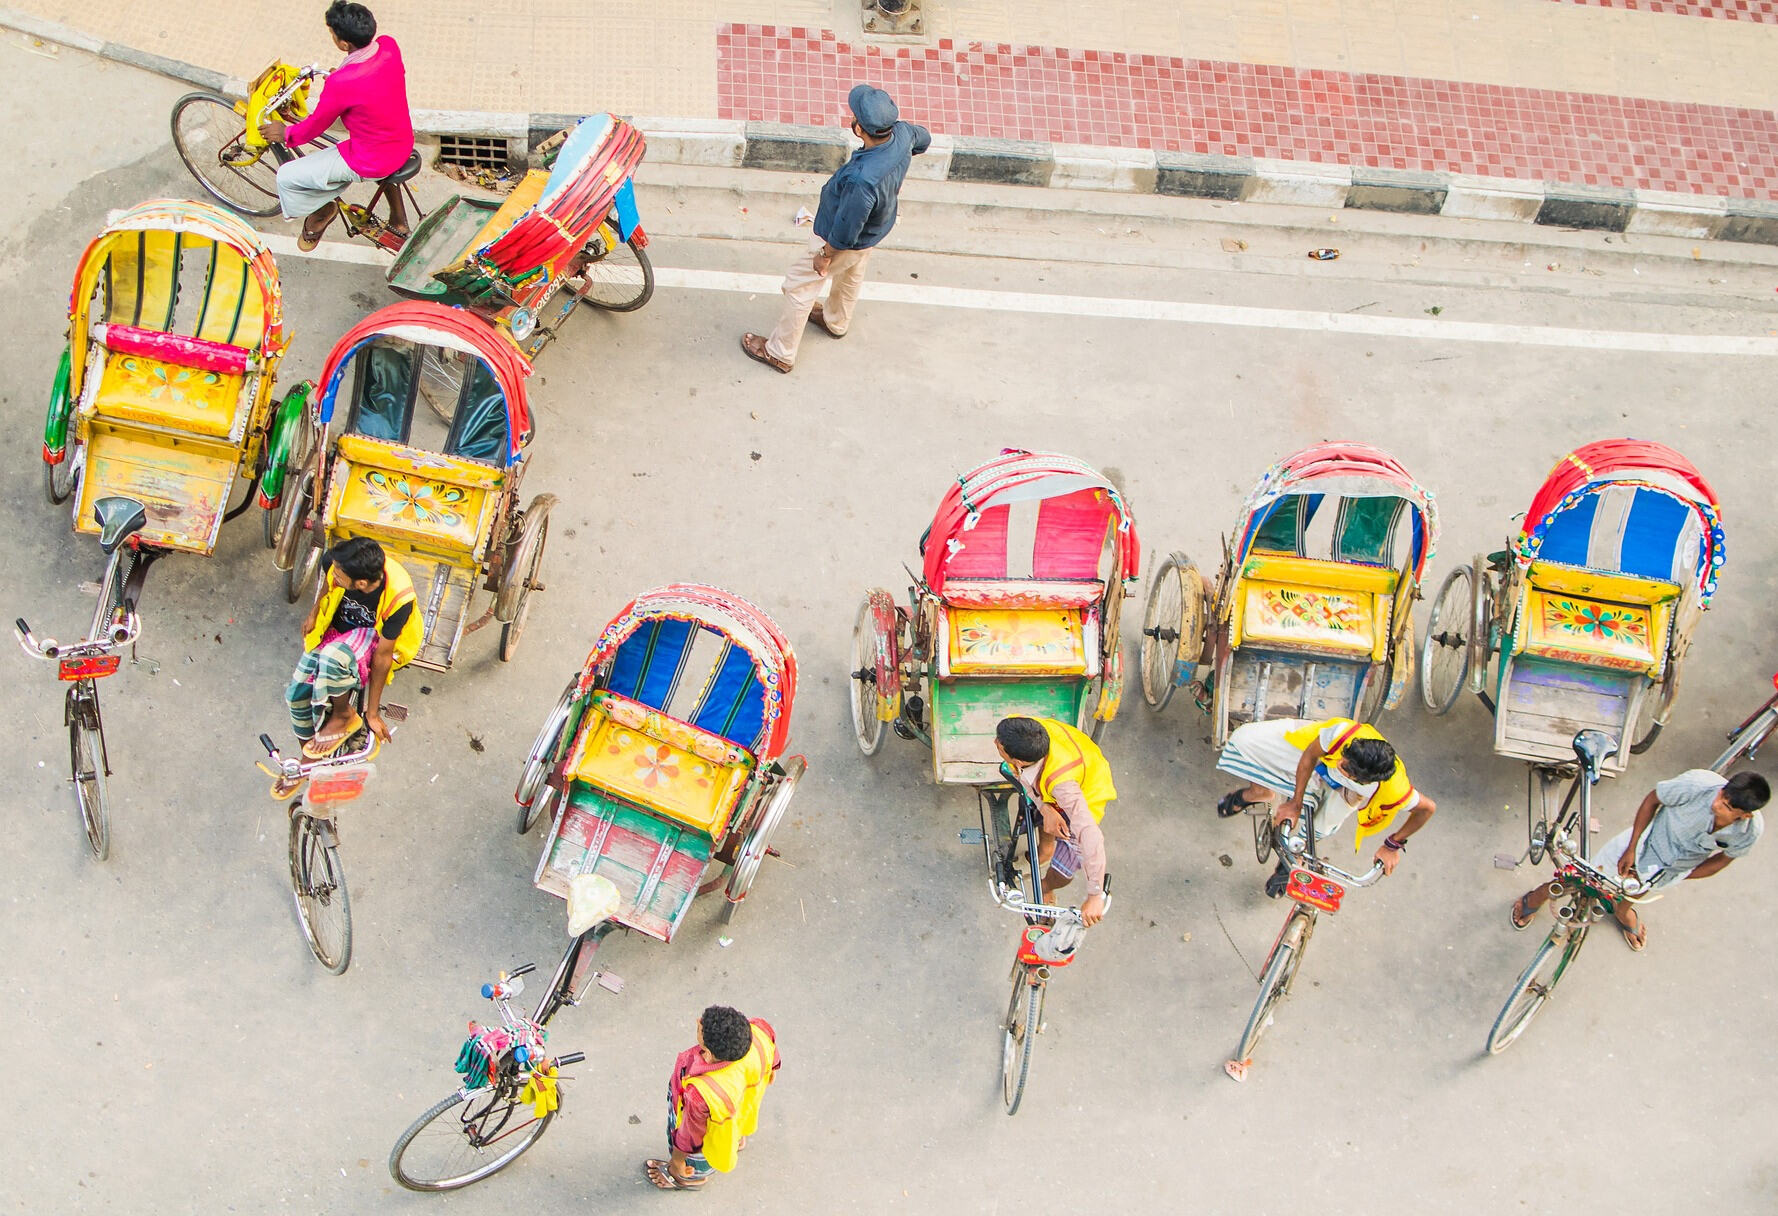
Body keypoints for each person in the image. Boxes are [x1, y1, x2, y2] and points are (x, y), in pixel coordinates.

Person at [741, 84, 930, 373]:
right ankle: (836, 321)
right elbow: (923, 139)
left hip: (842, 238)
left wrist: (824, 255)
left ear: (859, 129)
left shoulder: (861, 180)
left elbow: (845, 230)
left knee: (799, 286)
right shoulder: (903, 134)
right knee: (852, 273)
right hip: (875, 230)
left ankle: (780, 353)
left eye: (854, 116)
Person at [1509, 769, 1768, 949]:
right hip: (1643, 843)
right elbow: (1652, 800)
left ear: (1744, 816)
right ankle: (1537, 896)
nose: (1716, 804)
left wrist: (1678, 874)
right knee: (1581, 879)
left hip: (1669, 869)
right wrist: (1632, 848)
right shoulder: (1696, 785)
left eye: (1727, 807)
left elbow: (1722, 861)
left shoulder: (1749, 832)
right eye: (1722, 795)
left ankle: (1623, 913)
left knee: (1635, 894)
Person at [1215, 717, 1436, 896]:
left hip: (1349, 791)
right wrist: (1295, 803)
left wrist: (1393, 844)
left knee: (1319, 826)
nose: (1339, 762)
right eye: (1344, 759)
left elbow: (1427, 809)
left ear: (1363, 780)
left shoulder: (1395, 791)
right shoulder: (1343, 735)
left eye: (1346, 768)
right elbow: (1310, 756)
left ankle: (1294, 858)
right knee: (1246, 739)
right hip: (1316, 759)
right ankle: (1260, 792)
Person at [258, 3, 413, 251]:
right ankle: (399, 221)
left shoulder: (342, 83)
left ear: (343, 44)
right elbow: (371, 82)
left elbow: (315, 126)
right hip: (401, 141)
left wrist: (285, 133)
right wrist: (340, 77)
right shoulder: (389, 46)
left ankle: (321, 212)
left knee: (286, 177)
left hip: (370, 159)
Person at [283, 537, 422, 778]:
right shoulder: (335, 563)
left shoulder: (399, 598)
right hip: (337, 630)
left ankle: (344, 714)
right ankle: (309, 757)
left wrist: (372, 713)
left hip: (374, 636)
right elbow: (327, 586)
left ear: (361, 583)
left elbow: (383, 657)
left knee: (332, 657)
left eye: (339, 575)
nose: (334, 575)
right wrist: (314, 612)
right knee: (295, 696)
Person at [993, 717, 1111, 927]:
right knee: (1046, 816)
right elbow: (1026, 779)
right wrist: (1045, 807)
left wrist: (1095, 895)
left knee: (1065, 868)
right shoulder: (1025, 729)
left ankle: (1047, 886)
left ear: (1019, 761)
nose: (995, 743)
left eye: (1000, 745)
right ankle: (1045, 850)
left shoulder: (1062, 787)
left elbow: (1090, 833)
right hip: (1072, 765)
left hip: (1087, 793)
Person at [648, 1005, 780, 1192]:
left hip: (707, 1139)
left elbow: (689, 1135)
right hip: (738, 1113)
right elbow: (773, 1052)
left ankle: (687, 1179)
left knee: (695, 1161)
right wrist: (773, 1068)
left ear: (708, 1055)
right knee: (734, 1126)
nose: (698, 1022)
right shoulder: (759, 1030)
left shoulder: (701, 1093)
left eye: (700, 1028)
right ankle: (736, 1141)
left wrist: (677, 1162)